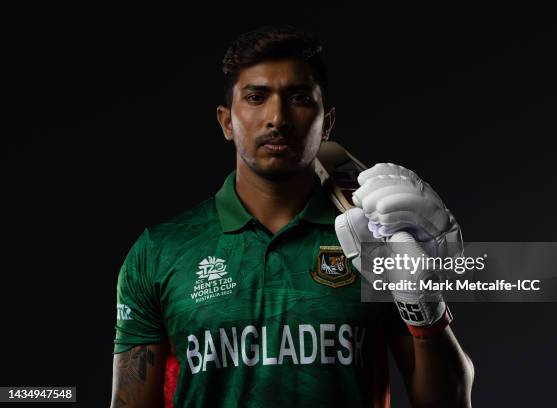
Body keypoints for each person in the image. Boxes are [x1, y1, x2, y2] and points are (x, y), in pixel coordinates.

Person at [111, 25, 474, 408]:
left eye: (299, 98)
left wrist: (424, 305)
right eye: (256, 97)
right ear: (226, 122)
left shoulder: (374, 239)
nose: (277, 117)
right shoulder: (160, 250)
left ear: (327, 122)